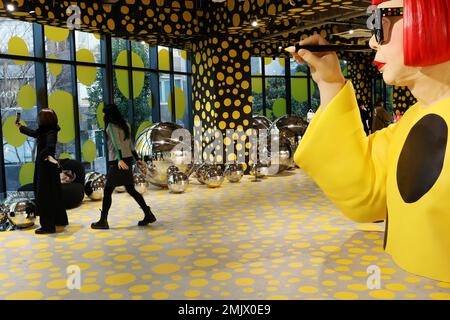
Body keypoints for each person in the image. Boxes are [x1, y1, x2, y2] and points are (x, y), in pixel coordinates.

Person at [291, 0, 450, 282]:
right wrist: (330, 83)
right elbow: (366, 193)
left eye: (380, 22)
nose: (373, 43)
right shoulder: (413, 117)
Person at [91, 104, 156, 229]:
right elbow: (130, 144)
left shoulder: (111, 126)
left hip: (118, 162)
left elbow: (117, 143)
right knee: (131, 189)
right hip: (126, 159)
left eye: (104, 113)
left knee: (108, 190)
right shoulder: (123, 125)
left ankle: (103, 221)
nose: (103, 115)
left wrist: (119, 159)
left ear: (109, 114)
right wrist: (136, 159)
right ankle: (148, 214)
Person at [16, 108, 68, 234]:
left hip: (46, 168)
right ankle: (58, 220)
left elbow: (50, 148)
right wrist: (21, 128)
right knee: (52, 194)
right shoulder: (46, 131)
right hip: (46, 167)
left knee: (44, 195)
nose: (37, 119)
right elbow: (35, 134)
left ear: (43, 120)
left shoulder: (50, 132)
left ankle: (48, 226)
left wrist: (40, 158)